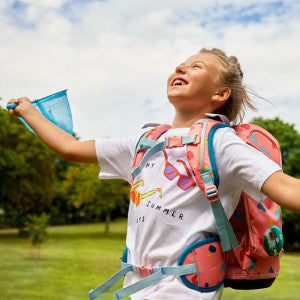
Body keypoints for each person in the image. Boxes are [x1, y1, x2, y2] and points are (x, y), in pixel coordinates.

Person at [7, 48, 300, 300]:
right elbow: (70, 148)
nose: (180, 67)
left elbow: (287, 189)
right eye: (180, 64)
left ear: (219, 93)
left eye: (196, 66)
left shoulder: (221, 144)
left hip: (184, 291)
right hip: (136, 287)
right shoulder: (143, 143)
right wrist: (29, 112)